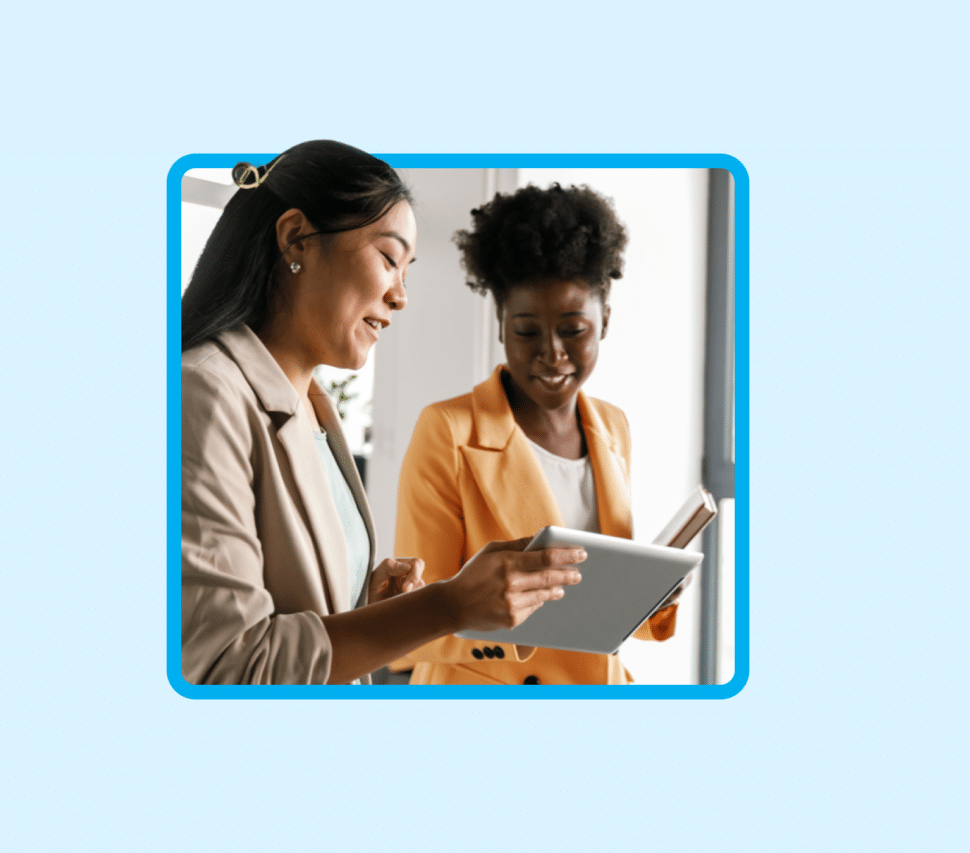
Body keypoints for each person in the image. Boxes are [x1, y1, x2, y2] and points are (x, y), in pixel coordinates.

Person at [181, 142, 586, 685]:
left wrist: (363, 600)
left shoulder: (312, 410)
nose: (401, 296)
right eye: (390, 258)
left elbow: (295, 610)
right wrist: (445, 607)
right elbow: (223, 667)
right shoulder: (202, 395)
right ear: (296, 238)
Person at [395, 183, 685, 685]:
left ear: (605, 321)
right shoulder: (447, 431)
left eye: (574, 330)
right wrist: (519, 625)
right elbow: (414, 620)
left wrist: (649, 596)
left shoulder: (613, 428)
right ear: (502, 325)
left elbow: (594, 603)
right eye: (527, 331)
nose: (552, 353)